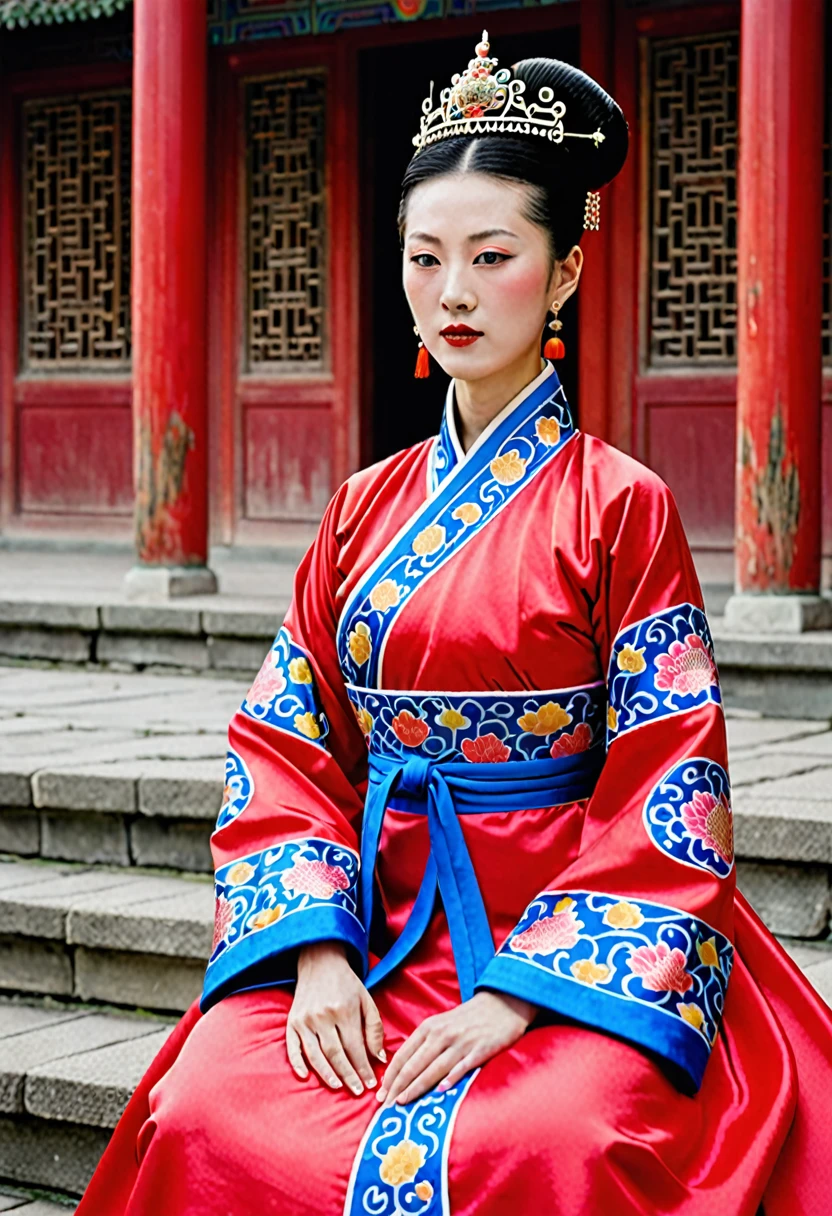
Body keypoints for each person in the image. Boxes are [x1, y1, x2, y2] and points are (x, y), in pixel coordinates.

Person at [78, 36, 832, 1216]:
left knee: (555, 1135)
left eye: (492, 256)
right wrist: (316, 952)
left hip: (567, 934)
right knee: (207, 1104)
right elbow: (284, 743)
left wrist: (518, 996)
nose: (454, 294)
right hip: (371, 926)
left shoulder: (621, 504)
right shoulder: (358, 507)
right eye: (424, 259)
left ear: (566, 275)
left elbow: (668, 776)